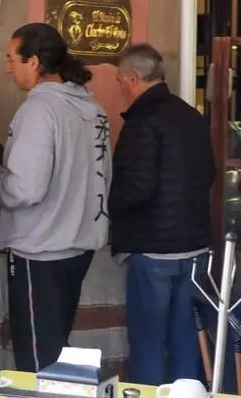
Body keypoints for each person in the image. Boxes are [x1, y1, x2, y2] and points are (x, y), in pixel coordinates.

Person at [0, 23, 111, 372]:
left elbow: (25, 188)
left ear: (34, 62)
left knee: (37, 360)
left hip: (39, 249)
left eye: (11, 59)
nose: (7, 68)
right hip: (80, 245)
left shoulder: (39, 110)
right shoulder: (94, 108)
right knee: (56, 351)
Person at [109, 44, 214, 385]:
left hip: (152, 249)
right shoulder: (191, 116)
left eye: (119, 81)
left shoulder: (141, 121)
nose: (120, 88)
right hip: (195, 247)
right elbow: (209, 174)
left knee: (148, 345)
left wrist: (108, 205)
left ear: (132, 77)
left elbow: (136, 188)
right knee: (185, 342)